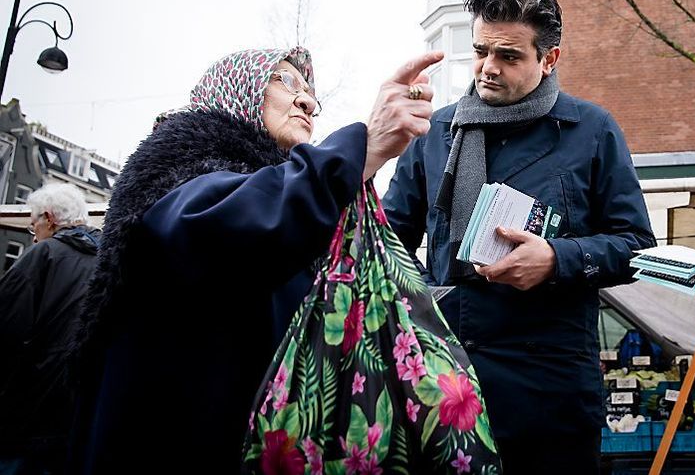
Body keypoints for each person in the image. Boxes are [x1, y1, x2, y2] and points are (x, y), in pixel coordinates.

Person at [67, 47, 441, 474]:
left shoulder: (281, 194)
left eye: (310, 94)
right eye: (285, 81)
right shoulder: (178, 169)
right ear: (235, 89)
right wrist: (363, 146)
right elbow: (236, 225)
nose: (305, 101)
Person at [383, 0, 655, 474]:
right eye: (481, 50)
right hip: (444, 375)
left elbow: (636, 246)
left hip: (548, 388)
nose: (488, 67)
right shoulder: (435, 134)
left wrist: (555, 260)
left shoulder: (592, 130)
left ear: (549, 59)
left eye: (508, 56)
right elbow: (385, 247)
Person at [0, 184, 101, 475]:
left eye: (33, 228)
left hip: (27, 415)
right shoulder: (110, 259)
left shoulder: (44, 255)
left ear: (49, 218)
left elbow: (7, 331)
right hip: (81, 415)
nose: (34, 238)